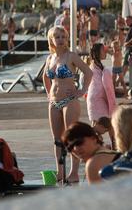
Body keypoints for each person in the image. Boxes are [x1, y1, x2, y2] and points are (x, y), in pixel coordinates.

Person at [43, 26, 93, 185]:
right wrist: (48, 92)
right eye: (56, 37)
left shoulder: (71, 56)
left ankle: (73, 173)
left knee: (72, 138)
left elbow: (88, 72)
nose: (60, 39)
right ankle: (60, 171)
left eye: (63, 36)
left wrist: (82, 90)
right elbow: (45, 76)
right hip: (54, 102)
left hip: (69, 101)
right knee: (57, 140)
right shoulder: (50, 58)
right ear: (51, 39)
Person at [86, 43, 116, 148]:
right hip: (97, 98)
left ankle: (93, 144)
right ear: (98, 53)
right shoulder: (96, 66)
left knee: (97, 122)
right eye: (103, 50)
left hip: (95, 97)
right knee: (108, 123)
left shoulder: (96, 65)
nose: (105, 52)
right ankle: (114, 145)